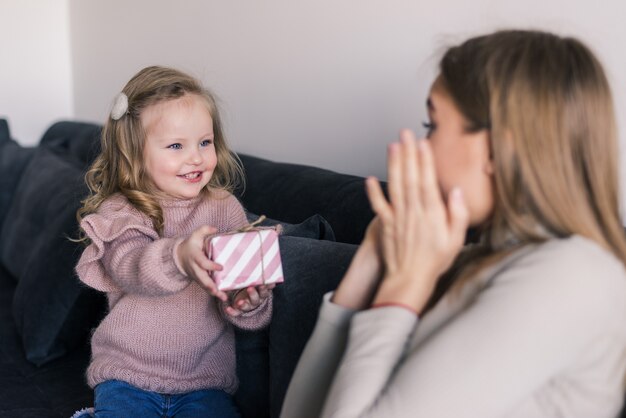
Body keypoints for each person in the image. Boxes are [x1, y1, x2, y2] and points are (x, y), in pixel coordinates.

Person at [280, 30, 626, 417]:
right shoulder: (479, 260)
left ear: (498, 149)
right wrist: (372, 262)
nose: (421, 149)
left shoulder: (572, 275)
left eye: (433, 126)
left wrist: (404, 285)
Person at [74, 65, 274, 417]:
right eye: (176, 145)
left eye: (204, 142)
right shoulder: (122, 210)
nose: (195, 157)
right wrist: (179, 256)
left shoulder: (224, 208)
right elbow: (130, 266)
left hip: (205, 384)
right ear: (134, 155)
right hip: (126, 377)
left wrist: (249, 302)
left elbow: (245, 308)